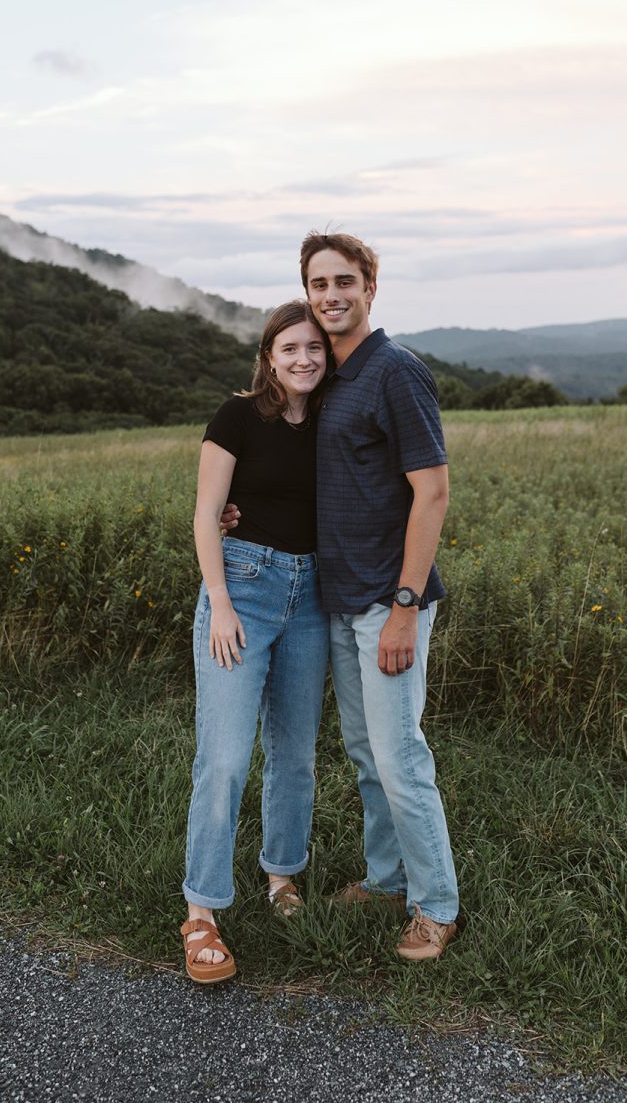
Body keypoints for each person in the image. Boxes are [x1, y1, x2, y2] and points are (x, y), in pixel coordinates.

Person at [224, 232, 459, 961]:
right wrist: (238, 511)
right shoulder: (329, 376)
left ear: (370, 288)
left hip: (389, 601)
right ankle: (386, 878)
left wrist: (405, 605)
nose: (331, 294)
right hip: (336, 596)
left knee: (398, 754)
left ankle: (435, 906)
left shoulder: (394, 372)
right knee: (363, 750)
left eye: (344, 282)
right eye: (318, 282)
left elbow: (434, 491)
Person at [181, 300, 331, 983]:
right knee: (226, 757)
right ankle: (202, 911)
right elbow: (208, 515)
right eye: (290, 348)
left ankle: (281, 876)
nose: (303, 359)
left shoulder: (332, 419)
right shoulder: (236, 415)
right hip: (242, 589)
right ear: (268, 355)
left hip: (312, 597)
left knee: (295, 755)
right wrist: (219, 604)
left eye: (315, 349)